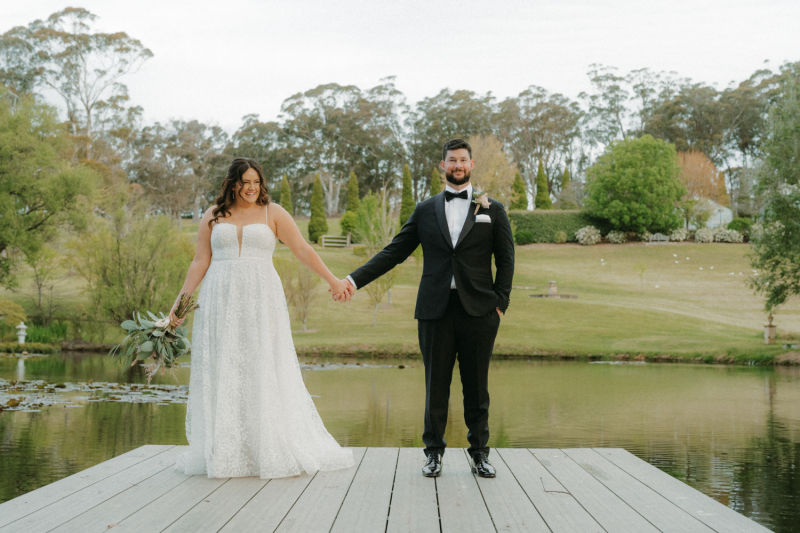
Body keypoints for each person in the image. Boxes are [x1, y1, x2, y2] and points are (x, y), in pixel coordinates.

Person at [341, 139, 514, 478]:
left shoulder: (492, 210)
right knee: (436, 385)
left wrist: (500, 305)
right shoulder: (425, 209)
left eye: (463, 160)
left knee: (477, 387)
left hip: (480, 311)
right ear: (442, 165)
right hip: (435, 310)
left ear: (472, 165)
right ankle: (433, 453)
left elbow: (506, 260)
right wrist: (353, 279)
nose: (458, 165)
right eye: (452, 160)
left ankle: (479, 453)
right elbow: (393, 252)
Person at [172, 158, 354, 479]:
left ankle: (266, 447)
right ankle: (228, 450)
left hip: (261, 298)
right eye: (245, 182)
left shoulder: (274, 213)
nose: (252, 187)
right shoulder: (213, 216)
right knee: (224, 366)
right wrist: (180, 305)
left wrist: (333, 280)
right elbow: (200, 261)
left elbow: (302, 250)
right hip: (219, 298)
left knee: (262, 364)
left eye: (256, 181)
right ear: (232, 184)